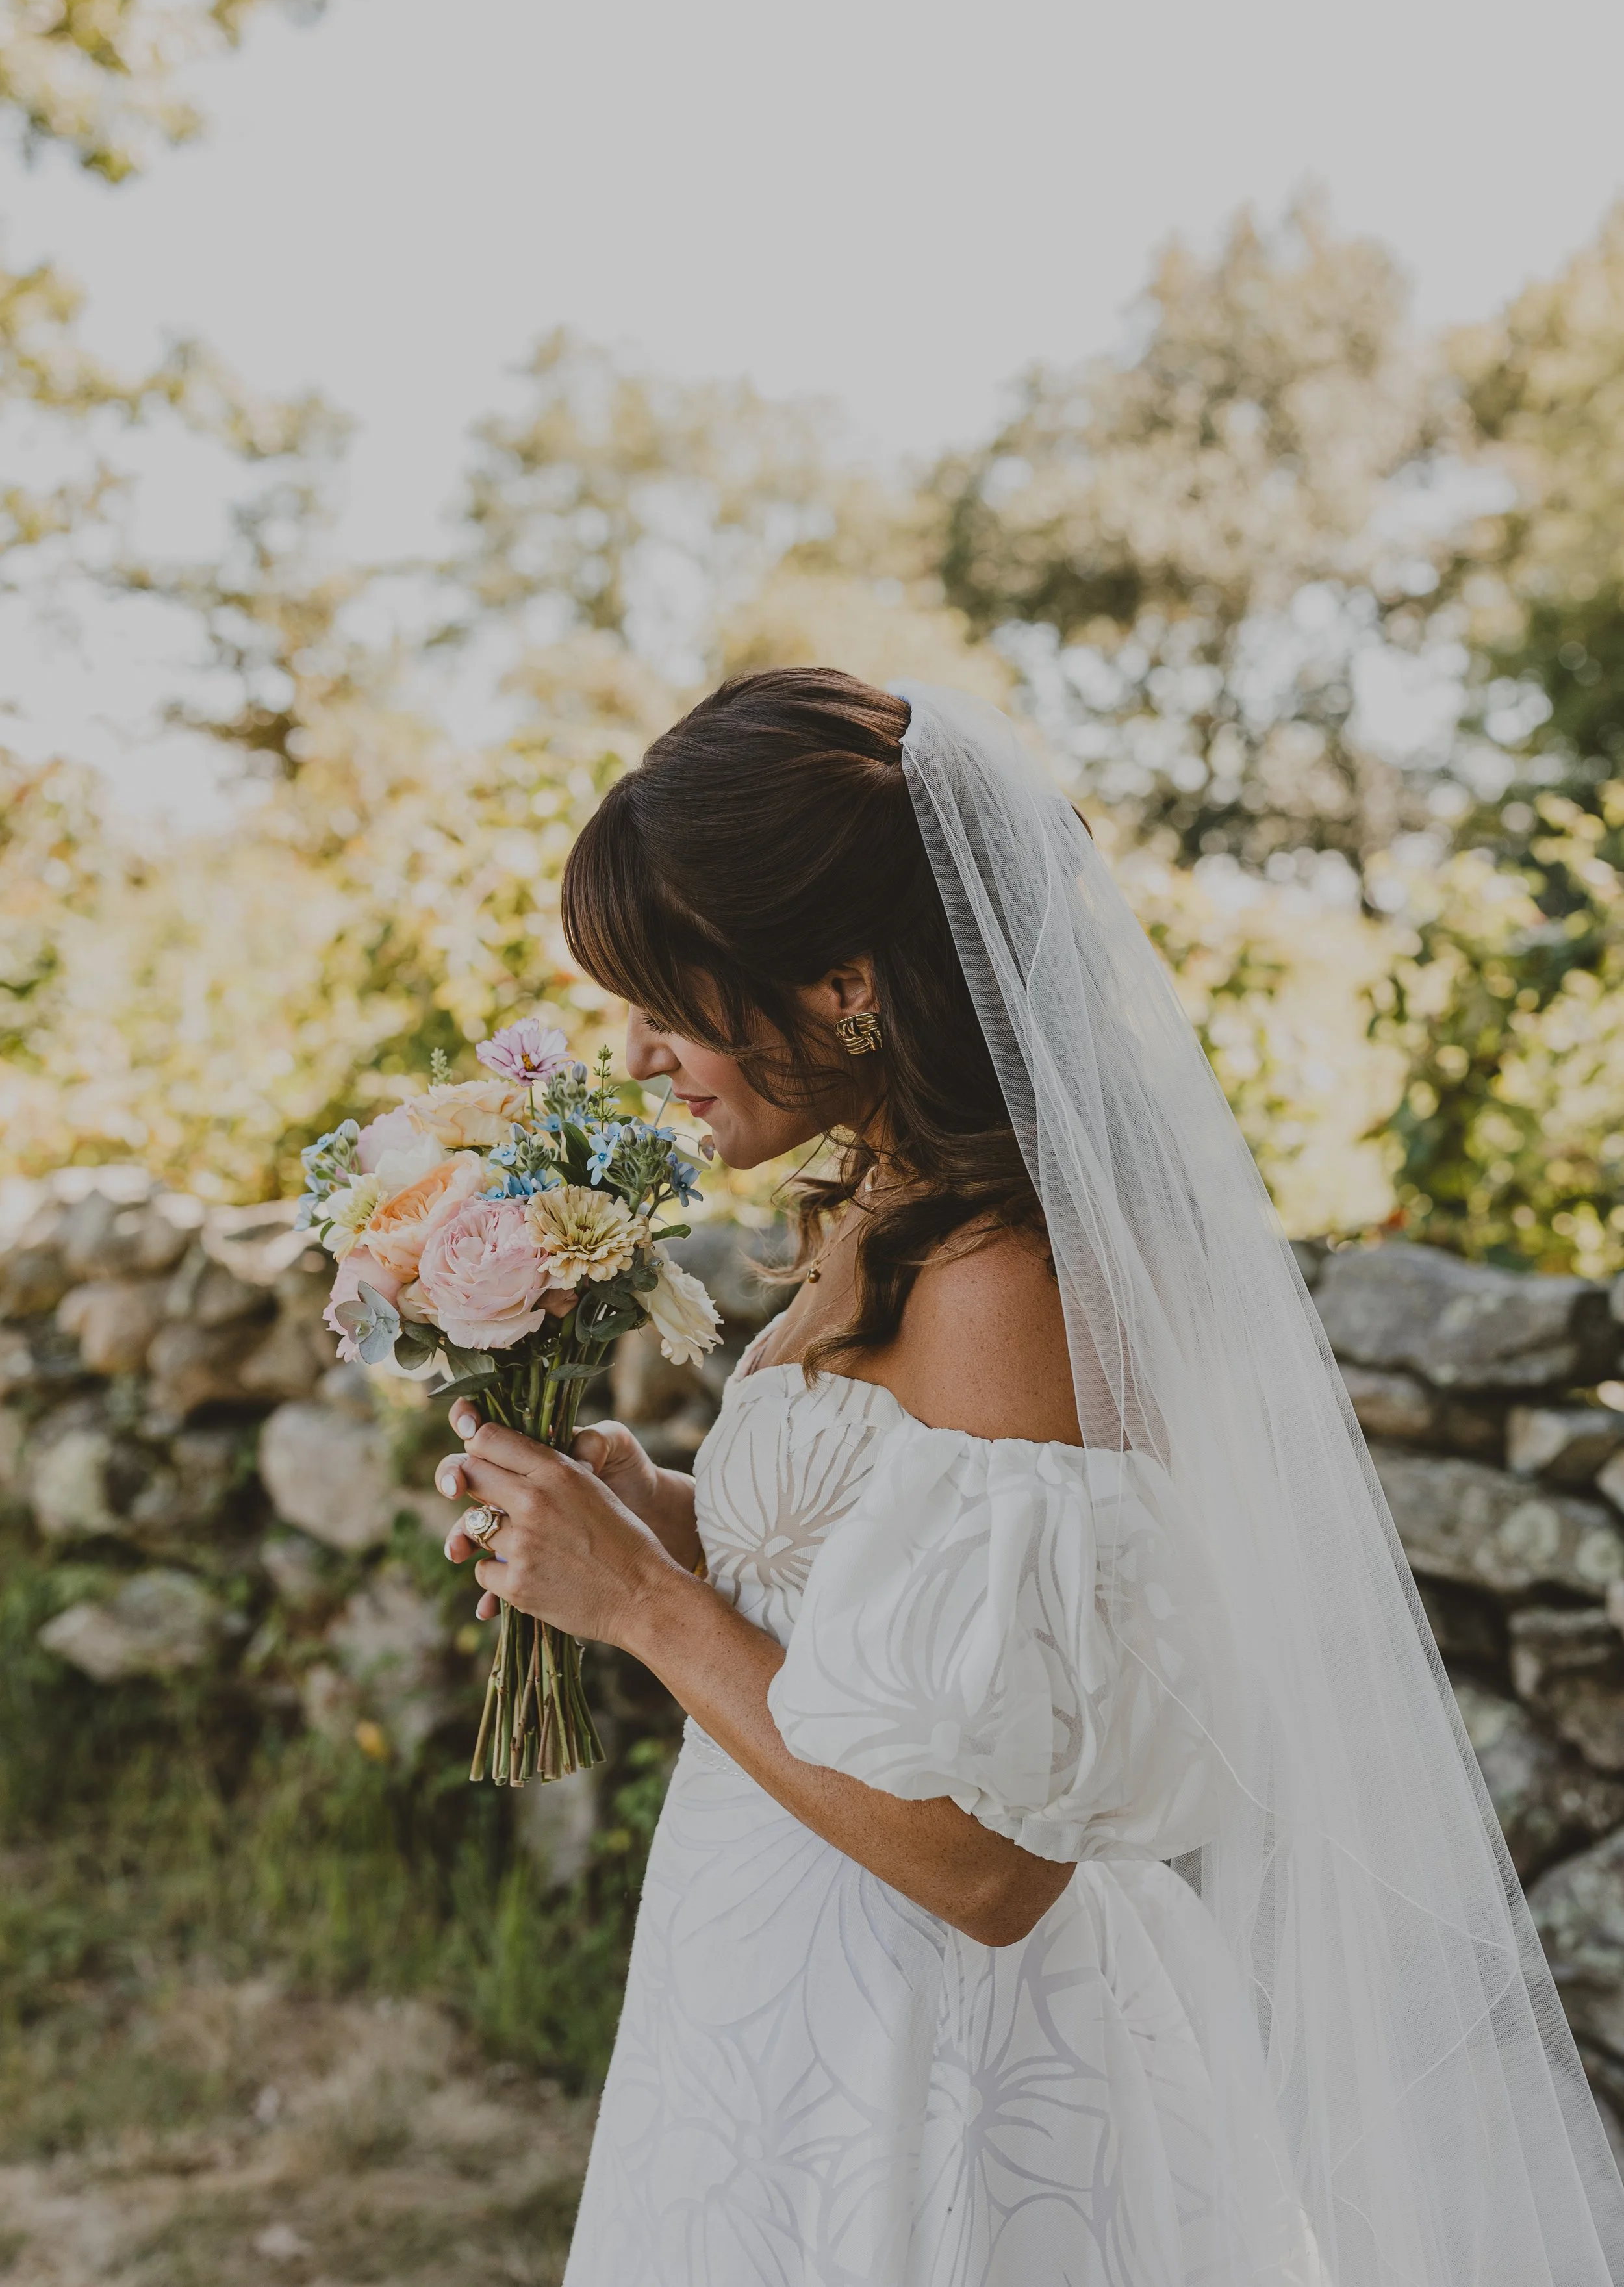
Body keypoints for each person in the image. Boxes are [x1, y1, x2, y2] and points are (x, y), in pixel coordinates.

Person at [434, 669, 1624, 2286]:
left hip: (940, 2047)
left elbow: (991, 1859)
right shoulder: (881, 1212)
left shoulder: (1007, 1278)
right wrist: (668, 1524)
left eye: (668, 1001)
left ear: (847, 982)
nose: (637, 1056)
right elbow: (898, 1630)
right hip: (780, 1965)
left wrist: (643, 1607)